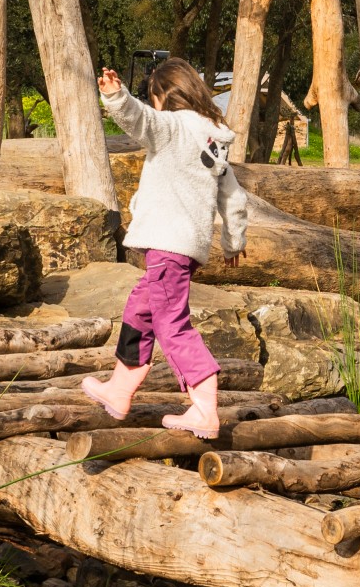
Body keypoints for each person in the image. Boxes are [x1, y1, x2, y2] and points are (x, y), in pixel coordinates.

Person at [82, 58, 249, 438]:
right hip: (186, 247)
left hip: (167, 244)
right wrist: (232, 241)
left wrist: (116, 97)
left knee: (170, 323)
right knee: (140, 311)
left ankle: (205, 409)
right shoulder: (213, 138)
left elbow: (141, 119)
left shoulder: (173, 126)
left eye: (154, 96)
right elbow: (235, 197)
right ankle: (120, 390)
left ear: (165, 96)